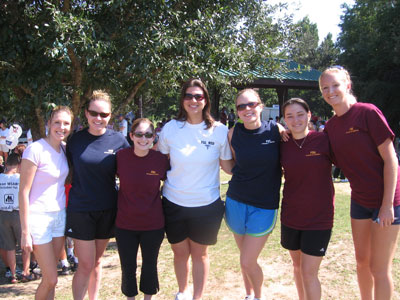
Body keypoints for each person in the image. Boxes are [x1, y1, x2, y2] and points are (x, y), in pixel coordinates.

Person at [319, 66, 400, 300]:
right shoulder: (331, 127)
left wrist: (386, 206)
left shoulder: (367, 112)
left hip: (389, 200)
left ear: (347, 85)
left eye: (335, 85)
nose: (330, 91)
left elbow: (391, 160)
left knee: (379, 268)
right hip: (360, 201)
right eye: (325, 87)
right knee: (362, 262)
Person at [158, 78, 233, 300]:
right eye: (189, 96)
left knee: (200, 255)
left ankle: (197, 297)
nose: (193, 100)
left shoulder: (219, 130)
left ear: (206, 101)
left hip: (207, 205)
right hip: (173, 202)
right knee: (179, 253)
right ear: (182, 100)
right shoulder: (170, 129)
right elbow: (158, 162)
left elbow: (229, 167)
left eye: (198, 96)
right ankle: (182, 292)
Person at [65, 90, 129, 300]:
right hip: (81, 210)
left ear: (110, 116)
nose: (99, 118)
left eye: (104, 114)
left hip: (107, 208)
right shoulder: (75, 140)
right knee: (85, 264)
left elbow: (133, 167)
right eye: (94, 113)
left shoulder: (119, 140)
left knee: (97, 261)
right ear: (86, 113)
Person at [225, 89, 283, 300]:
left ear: (260, 105)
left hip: (265, 206)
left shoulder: (276, 130)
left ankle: (258, 296)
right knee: (244, 259)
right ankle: (249, 294)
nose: (247, 109)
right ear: (237, 111)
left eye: (251, 104)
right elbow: (232, 164)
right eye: (241, 106)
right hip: (236, 202)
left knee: (248, 261)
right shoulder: (233, 133)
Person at [280, 98, 335, 300]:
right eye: (290, 116)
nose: (296, 120)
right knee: (297, 267)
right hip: (291, 217)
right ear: (284, 120)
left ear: (309, 115)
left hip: (319, 219)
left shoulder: (323, 140)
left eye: (300, 114)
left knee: (309, 272)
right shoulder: (282, 143)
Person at [19, 106, 73, 299]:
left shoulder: (66, 150)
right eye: (57, 122)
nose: (61, 127)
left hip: (59, 216)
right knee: (51, 279)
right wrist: (25, 232)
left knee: (53, 279)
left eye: (66, 123)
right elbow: (23, 192)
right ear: (48, 124)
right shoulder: (35, 149)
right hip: (38, 218)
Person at [116, 118, 169, 300]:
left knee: (150, 265)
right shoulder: (121, 157)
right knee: (127, 266)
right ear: (131, 136)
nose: (143, 139)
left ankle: (148, 298)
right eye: (139, 134)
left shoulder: (160, 160)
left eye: (148, 135)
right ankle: (130, 297)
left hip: (153, 224)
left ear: (154, 137)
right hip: (125, 224)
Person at [0, 153, 32, 283]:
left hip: (3, 213)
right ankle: (25, 271)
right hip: (19, 213)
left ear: (6, 164)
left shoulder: (0, 178)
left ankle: (13, 275)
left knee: (9, 247)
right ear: (19, 165)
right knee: (24, 244)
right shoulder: (20, 178)